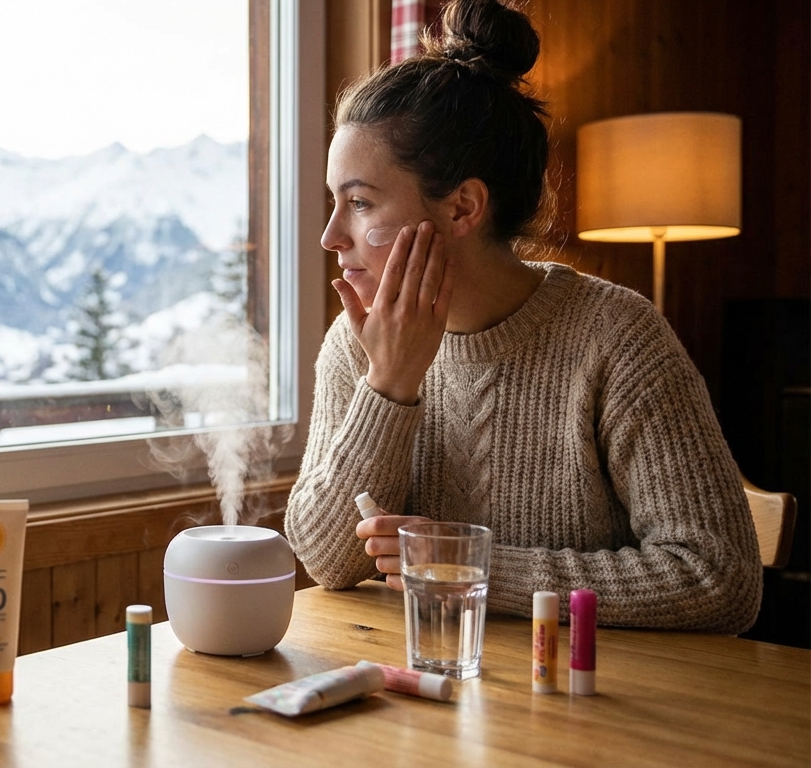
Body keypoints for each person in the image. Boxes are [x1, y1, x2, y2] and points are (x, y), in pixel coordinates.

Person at [284, 0, 760, 633]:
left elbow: (719, 578)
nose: (331, 236)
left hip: (582, 686)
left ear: (463, 207)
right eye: (334, 202)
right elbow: (326, 560)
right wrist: (389, 385)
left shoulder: (617, 336)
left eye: (361, 203)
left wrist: (475, 568)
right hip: (417, 684)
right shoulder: (357, 343)